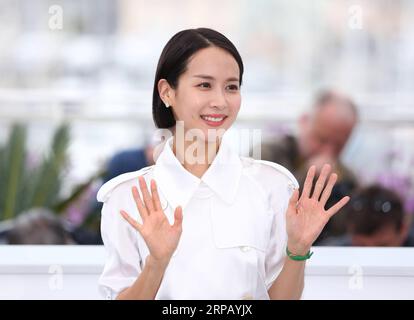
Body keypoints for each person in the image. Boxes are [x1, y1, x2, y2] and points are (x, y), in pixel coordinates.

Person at [97, 28, 349, 300]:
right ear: (167, 92)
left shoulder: (272, 186)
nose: (220, 102)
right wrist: (156, 264)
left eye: (231, 87)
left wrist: (298, 250)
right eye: (204, 85)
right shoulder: (128, 197)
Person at [259, 90, 359, 242]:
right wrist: (308, 175)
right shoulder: (267, 155)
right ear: (304, 121)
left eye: (338, 145)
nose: (328, 151)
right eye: (321, 139)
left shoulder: (346, 178)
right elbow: (262, 212)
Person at [321, 185, 414, 247]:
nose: (373, 258)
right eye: (362, 246)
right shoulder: (328, 253)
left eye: (382, 246)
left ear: (403, 230)